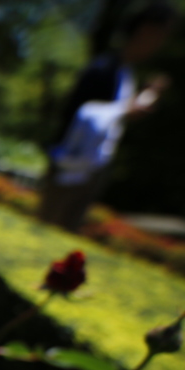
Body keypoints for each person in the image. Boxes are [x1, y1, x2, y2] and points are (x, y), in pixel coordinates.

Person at [39, 1, 176, 230]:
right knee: (47, 234)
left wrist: (147, 94)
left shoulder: (125, 73)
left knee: (65, 240)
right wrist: (127, 109)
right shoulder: (103, 68)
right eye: (160, 35)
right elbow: (81, 114)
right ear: (146, 30)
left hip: (91, 170)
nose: (160, 44)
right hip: (69, 168)